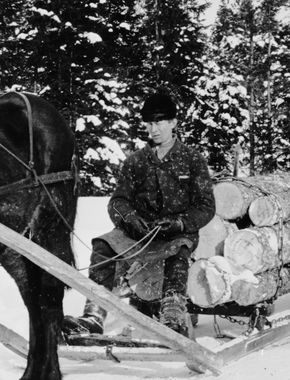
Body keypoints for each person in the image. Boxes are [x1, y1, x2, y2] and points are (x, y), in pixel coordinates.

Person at [63, 87, 215, 339]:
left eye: (160, 122)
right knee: (103, 245)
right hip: (139, 233)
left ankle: (172, 314)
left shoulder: (192, 159)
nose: (153, 129)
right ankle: (94, 314)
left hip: (176, 233)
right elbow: (118, 201)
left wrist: (179, 223)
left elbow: (206, 206)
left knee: (178, 252)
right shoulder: (136, 161)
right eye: (149, 123)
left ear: (174, 122)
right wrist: (130, 219)